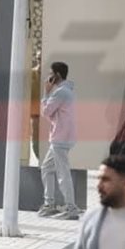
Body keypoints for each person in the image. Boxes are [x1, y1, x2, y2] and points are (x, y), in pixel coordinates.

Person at [39, 61, 81, 220]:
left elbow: (46, 112)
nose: (49, 76)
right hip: (63, 137)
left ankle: (71, 208)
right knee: (46, 168)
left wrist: (46, 93)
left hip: (60, 138)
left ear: (57, 75)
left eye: (51, 73)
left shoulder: (60, 92)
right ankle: (49, 204)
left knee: (63, 173)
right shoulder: (68, 91)